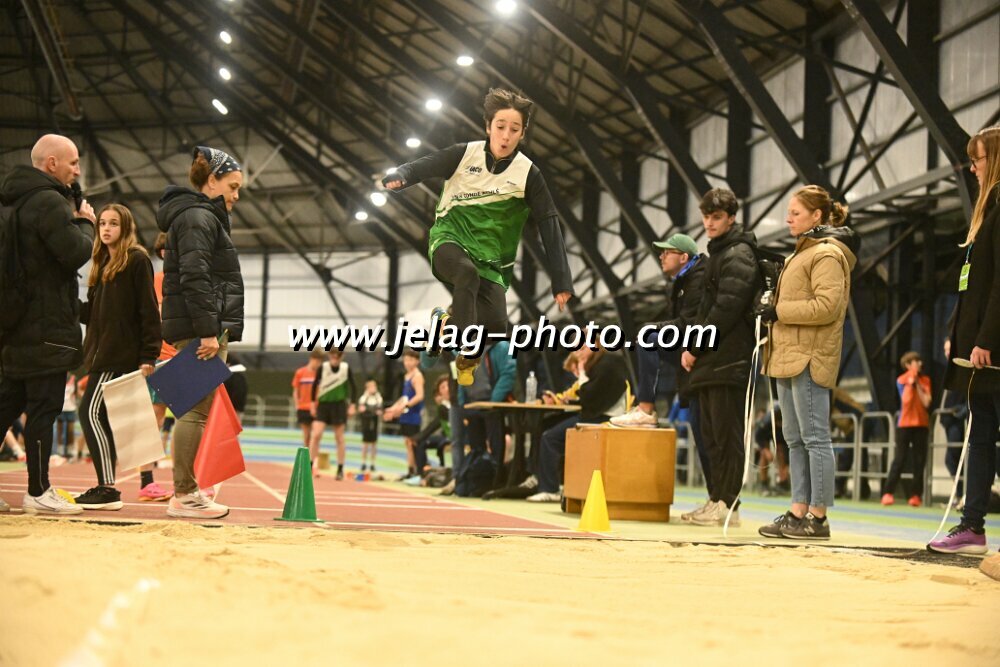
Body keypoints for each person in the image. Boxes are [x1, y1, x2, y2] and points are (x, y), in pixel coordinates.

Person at [382, 88, 573, 385]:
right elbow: (427, 165)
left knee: (496, 326)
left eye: (514, 129)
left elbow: (549, 222)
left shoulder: (528, 174)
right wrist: (402, 174)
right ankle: (465, 349)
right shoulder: (464, 154)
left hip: (490, 257)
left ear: (522, 133)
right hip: (449, 239)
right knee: (465, 273)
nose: (506, 136)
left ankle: (443, 326)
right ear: (488, 127)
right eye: (500, 127)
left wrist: (561, 279)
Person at [0, 134, 95, 515]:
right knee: (44, 408)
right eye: (73, 162)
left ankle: (37, 490)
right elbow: (74, 252)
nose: (77, 170)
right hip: (47, 327)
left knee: (7, 405)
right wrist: (85, 224)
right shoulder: (48, 201)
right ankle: (38, 491)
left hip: (13, 326)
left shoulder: (10, 203)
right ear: (51, 164)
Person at [756, 185, 857, 540]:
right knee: (794, 439)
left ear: (816, 216)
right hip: (786, 355)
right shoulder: (799, 255)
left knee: (815, 438)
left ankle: (819, 516)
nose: (788, 219)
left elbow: (827, 307)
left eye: (795, 213)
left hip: (810, 357)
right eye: (788, 213)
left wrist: (779, 310)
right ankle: (798, 509)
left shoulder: (827, 254)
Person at [156, 145, 245, 519]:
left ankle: (186, 491)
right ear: (212, 180)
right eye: (232, 186)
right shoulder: (197, 217)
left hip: (201, 326)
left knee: (194, 410)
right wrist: (209, 332)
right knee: (194, 411)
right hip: (201, 329)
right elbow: (195, 276)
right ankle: (185, 494)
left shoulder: (199, 216)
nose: (236, 196)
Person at [930, 126, 1000, 555]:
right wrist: (956, 333)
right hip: (976, 351)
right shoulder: (986, 212)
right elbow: (972, 285)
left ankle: (973, 523)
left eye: (977, 159)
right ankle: (972, 526)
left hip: (992, 350)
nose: (972, 168)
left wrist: (987, 338)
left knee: (988, 434)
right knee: (980, 435)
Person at [608, 232, 712, 515]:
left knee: (708, 434)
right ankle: (716, 499)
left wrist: (653, 327)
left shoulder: (698, 279)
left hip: (703, 359)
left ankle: (646, 409)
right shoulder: (682, 282)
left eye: (667, 252)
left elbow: (689, 323)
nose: (661, 256)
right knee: (700, 430)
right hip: (689, 361)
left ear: (684, 257)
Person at [679, 189, 760, 527]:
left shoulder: (739, 254)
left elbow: (727, 308)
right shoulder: (719, 253)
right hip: (713, 359)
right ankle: (716, 500)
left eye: (716, 217)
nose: (709, 223)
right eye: (706, 217)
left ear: (731, 218)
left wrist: (695, 347)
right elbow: (706, 309)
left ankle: (729, 505)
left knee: (727, 437)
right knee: (711, 436)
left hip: (729, 358)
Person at [73, 204, 160, 511]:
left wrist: (148, 354)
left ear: (125, 228)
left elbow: (148, 309)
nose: (106, 229)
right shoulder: (101, 265)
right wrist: (66, 297)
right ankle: (107, 486)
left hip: (119, 355)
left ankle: (107, 488)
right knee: (105, 419)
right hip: (100, 355)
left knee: (89, 413)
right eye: (102, 224)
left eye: (113, 224)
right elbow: (93, 316)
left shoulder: (135, 259)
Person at [527, 345, 628, 502]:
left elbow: (588, 395)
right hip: (595, 413)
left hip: (604, 418)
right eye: (575, 349)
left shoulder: (607, 364)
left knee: (550, 438)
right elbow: (588, 396)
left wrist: (581, 371)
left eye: (582, 348)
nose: (577, 352)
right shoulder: (599, 364)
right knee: (543, 425)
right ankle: (537, 477)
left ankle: (550, 489)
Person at [139, 231, 174, 502]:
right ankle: (146, 482)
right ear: (163, 253)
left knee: (193, 419)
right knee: (154, 420)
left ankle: (191, 481)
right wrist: (146, 356)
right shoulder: (156, 281)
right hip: (160, 359)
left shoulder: (191, 282)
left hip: (187, 357)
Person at [881, 351, 932, 507]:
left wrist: (917, 384)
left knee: (919, 460)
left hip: (921, 424)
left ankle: (915, 495)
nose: (919, 363)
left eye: (919, 360)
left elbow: (927, 402)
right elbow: (906, 401)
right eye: (916, 361)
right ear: (908, 365)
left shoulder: (925, 380)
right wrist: (910, 382)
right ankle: (888, 492)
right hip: (904, 424)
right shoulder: (901, 380)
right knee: (900, 458)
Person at [309, 349, 357, 480]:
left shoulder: (345, 368)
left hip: (339, 405)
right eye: (333, 356)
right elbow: (315, 385)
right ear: (329, 356)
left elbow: (353, 387)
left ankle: (340, 468)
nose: (335, 359)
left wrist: (352, 405)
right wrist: (312, 403)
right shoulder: (323, 367)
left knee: (339, 437)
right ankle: (310, 465)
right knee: (316, 434)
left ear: (342, 356)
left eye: (338, 356)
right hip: (323, 404)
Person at [384, 350, 425, 480]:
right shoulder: (407, 376)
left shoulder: (417, 376)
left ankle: (417, 471)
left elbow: (420, 396)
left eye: (411, 360)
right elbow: (404, 397)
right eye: (406, 360)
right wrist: (393, 408)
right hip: (406, 414)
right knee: (407, 443)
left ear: (417, 361)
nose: (407, 363)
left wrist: (405, 406)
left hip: (413, 414)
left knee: (413, 443)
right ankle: (410, 470)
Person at [412, 375, 451, 476]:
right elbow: (433, 426)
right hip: (448, 437)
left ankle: (423, 474)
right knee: (420, 442)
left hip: (456, 438)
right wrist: (418, 437)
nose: (446, 389)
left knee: (423, 441)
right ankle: (422, 474)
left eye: (448, 385)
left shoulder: (452, 405)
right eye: (442, 387)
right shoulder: (443, 408)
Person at [293, 349, 323, 450]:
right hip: (303, 408)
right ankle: (306, 456)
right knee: (306, 436)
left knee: (316, 435)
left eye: (320, 362)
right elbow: (295, 391)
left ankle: (314, 456)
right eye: (317, 361)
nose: (318, 364)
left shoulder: (320, 374)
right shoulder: (300, 372)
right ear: (311, 359)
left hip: (317, 408)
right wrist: (297, 405)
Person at [357, 378, 384, 472]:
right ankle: (363, 462)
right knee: (365, 443)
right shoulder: (364, 397)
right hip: (366, 421)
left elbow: (380, 410)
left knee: (374, 443)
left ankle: (373, 463)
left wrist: (378, 412)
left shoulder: (378, 397)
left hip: (374, 422)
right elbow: (360, 408)